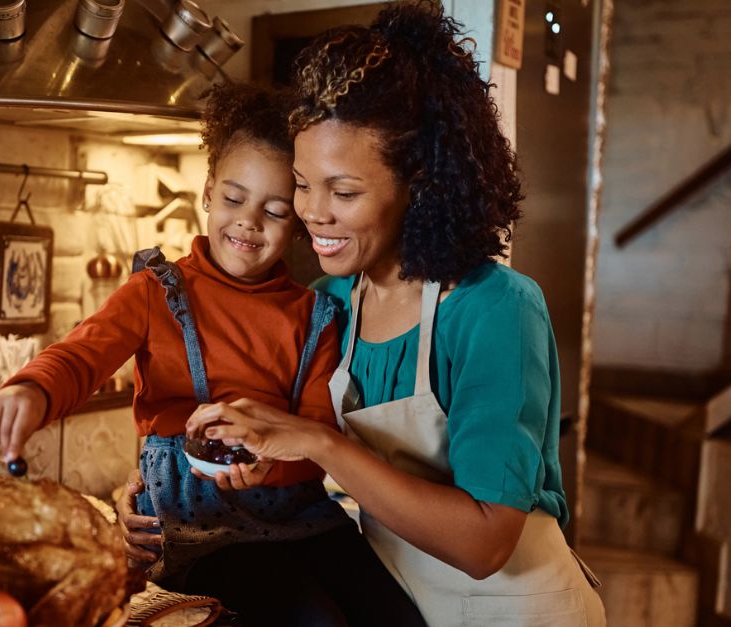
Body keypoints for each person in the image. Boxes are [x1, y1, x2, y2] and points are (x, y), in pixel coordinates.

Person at [155, 3, 608, 625]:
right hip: (397, 604)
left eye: (343, 192)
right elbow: (292, 460)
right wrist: (165, 500)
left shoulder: (493, 307)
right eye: (304, 184)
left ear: (419, 185)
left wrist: (318, 441)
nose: (313, 213)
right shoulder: (333, 305)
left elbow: (484, 544)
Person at [0, 82, 425, 627]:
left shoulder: (317, 318)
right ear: (208, 192)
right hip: (199, 537)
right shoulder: (155, 293)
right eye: (235, 198)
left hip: (303, 519)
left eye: (276, 210)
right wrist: (31, 388)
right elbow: (81, 355)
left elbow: (316, 441)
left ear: (301, 223)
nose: (248, 221)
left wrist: (268, 464)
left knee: (395, 616)